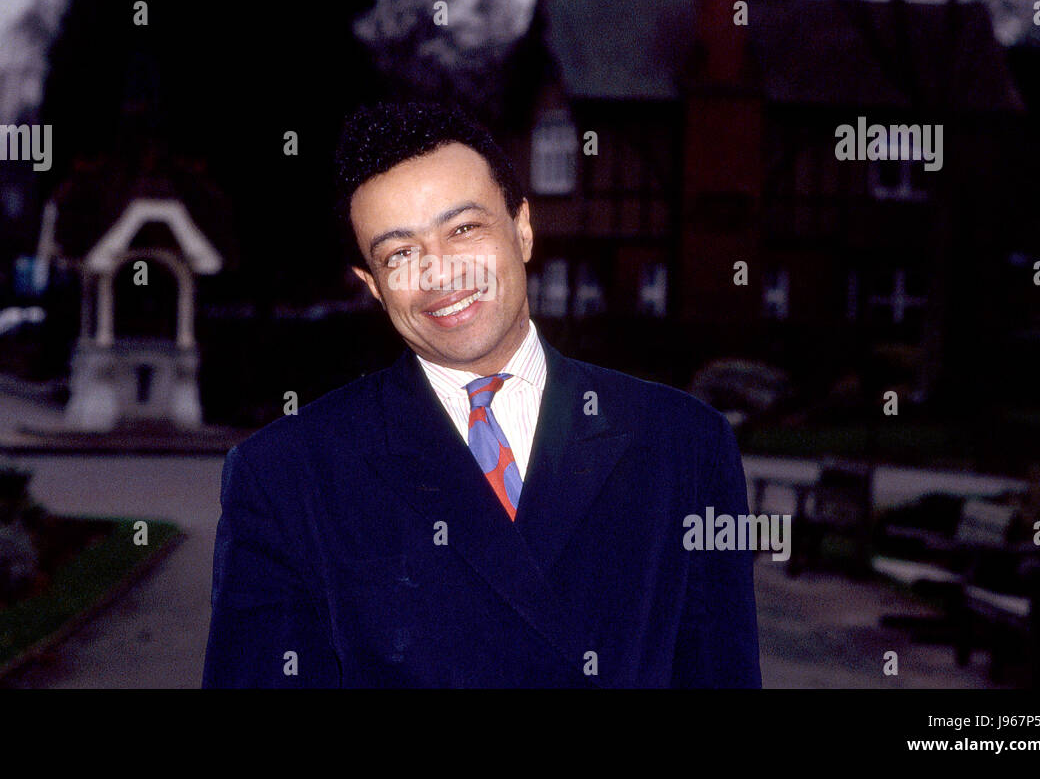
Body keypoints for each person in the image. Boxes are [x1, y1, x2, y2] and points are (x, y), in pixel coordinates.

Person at [202, 101, 760, 687]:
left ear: (522, 227)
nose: (440, 274)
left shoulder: (683, 444)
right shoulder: (285, 474)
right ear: (372, 284)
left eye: (463, 229)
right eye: (400, 254)